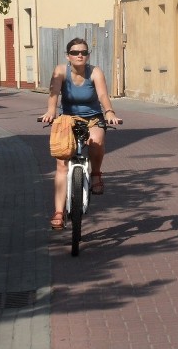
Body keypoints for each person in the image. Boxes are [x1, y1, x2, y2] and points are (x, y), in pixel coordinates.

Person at [40, 37, 121, 230]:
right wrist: (51, 111)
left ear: (87, 55)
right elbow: (54, 93)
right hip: (67, 118)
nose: (80, 56)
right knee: (61, 163)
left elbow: (102, 95)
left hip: (93, 117)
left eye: (83, 52)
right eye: (75, 52)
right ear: (68, 56)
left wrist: (109, 112)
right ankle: (59, 213)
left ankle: (96, 174)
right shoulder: (61, 71)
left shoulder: (95, 72)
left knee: (96, 141)